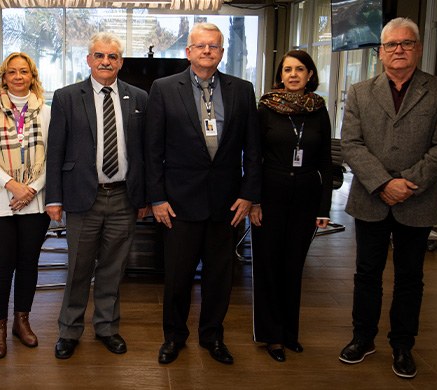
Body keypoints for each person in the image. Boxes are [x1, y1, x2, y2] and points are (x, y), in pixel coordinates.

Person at [338, 17, 437, 379]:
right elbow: (351, 144)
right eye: (391, 44)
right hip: (370, 198)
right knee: (366, 273)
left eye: (406, 43)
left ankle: (403, 344)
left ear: (418, 49)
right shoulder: (360, 91)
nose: (399, 50)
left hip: (416, 199)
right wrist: (382, 183)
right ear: (381, 52)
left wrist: (406, 182)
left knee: (410, 277)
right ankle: (363, 338)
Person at [145, 22, 261, 365]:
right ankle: (174, 337)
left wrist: (249, 194)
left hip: (227, 203)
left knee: (219, 278)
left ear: (222, 52)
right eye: (201, 45)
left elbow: (253, 148)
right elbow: (152, 149)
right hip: (178, 203)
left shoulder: (242, 90)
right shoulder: (164, 88)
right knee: (177, 278)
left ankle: (212, 337)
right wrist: (157, 198)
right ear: (188, 52)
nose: (207, 51)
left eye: (214, 46)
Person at [45, 32, 149, 359]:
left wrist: (145, 197)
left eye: (112, 56)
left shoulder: (139, 98)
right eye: (99, 56)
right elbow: (56, 150)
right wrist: (53, 198)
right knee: (78, 268)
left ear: (121, 62)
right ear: (89, 59)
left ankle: (106, 327)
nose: (106, 61)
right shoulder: (66, 97)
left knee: (113, 269)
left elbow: (145, 153)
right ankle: (69, 331)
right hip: (81, 197)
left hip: (124, 197)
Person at [250, 50, 333, 363]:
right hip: (269, 196)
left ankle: (289, 333)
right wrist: (254, 201)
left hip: (306, 199)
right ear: (280, 76)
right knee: (269, 266)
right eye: (287, 70)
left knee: (293, 267)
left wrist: (324, 208)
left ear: (310, 74)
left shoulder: (319, 109)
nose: (293, 75)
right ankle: (271, 335)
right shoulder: (266, 108)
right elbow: (253, 158)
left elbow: (326, 161)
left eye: (299, 69)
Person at [0, 52, 51, 359]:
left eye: (24, 71)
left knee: (28, 265)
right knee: (1, 267)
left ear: (32, 76)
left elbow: (54, 157)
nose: (18, 77)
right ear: (4, 78)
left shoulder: (47, 112)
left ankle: (22, 322)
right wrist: (13, 185)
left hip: (35, 203)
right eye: (12, 72)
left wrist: (31, 188)